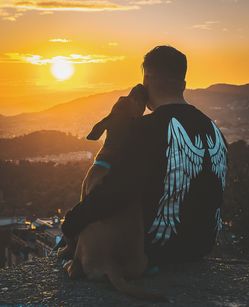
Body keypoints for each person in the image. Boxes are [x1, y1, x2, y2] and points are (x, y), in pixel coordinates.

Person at [61, 45, 228, 265]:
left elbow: (114, 192)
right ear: (183, 84)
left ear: (146, 80)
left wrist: (70, 224)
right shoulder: (214, 129)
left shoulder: (146, 129)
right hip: (201, 247)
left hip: (156, 249)